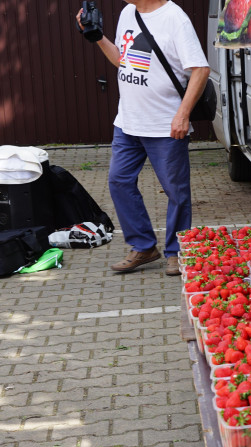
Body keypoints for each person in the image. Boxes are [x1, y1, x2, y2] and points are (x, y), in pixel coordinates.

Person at [77, 0, 209, 275]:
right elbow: (122, 60)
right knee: (119, 181)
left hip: (165, 125)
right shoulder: (128, 13)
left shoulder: (175, 18)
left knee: (176, 192)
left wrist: (183, 114)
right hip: (128, 122)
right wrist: (97, 36)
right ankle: (144, 246)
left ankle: (177, 251)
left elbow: (200, 69)